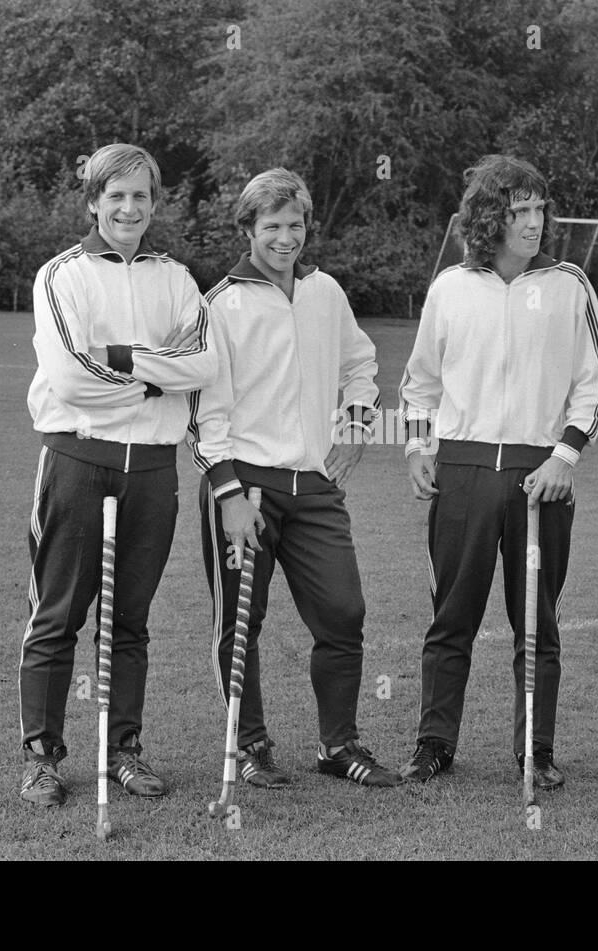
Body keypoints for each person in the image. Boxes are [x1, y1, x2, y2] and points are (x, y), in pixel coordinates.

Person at [396, 154, 598, 788]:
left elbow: (592, 385)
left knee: (537, 620)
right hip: (462, 471)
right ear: (489, 218)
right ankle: (434, 745)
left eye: (539, 209)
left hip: (539, 476)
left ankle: (535, 752)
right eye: (519, 211)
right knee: (451, 616)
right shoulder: (450, 288)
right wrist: (416, 447)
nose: (534, 222)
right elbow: (419, 383)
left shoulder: (570, 286)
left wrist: (564, 456)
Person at [17, 143, 218, 806]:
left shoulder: (176, 279)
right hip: (80, 459)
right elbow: (72, 380)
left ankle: (121, 750)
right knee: (57, 614)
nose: (128, 207)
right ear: (95, 202)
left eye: (140, 196)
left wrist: (127, 362)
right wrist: (156, 381)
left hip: (153, 471)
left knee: (128, 620)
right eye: (116, 195)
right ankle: (42, 757)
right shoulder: (62, 275)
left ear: (153, 204)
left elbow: (206, 365)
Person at [188, 167, 401, 789]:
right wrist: (227, 492)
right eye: (273, 226)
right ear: (248, 230)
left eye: (296, 224)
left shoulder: (325, 291)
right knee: (240, 623)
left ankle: (338, 746)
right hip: (243, 484)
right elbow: (206, 411)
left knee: (343, 613)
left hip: (313, 486)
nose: (287, 237)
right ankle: (249, 745)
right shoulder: (220, 305)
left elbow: (359, 361)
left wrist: (358, 426)